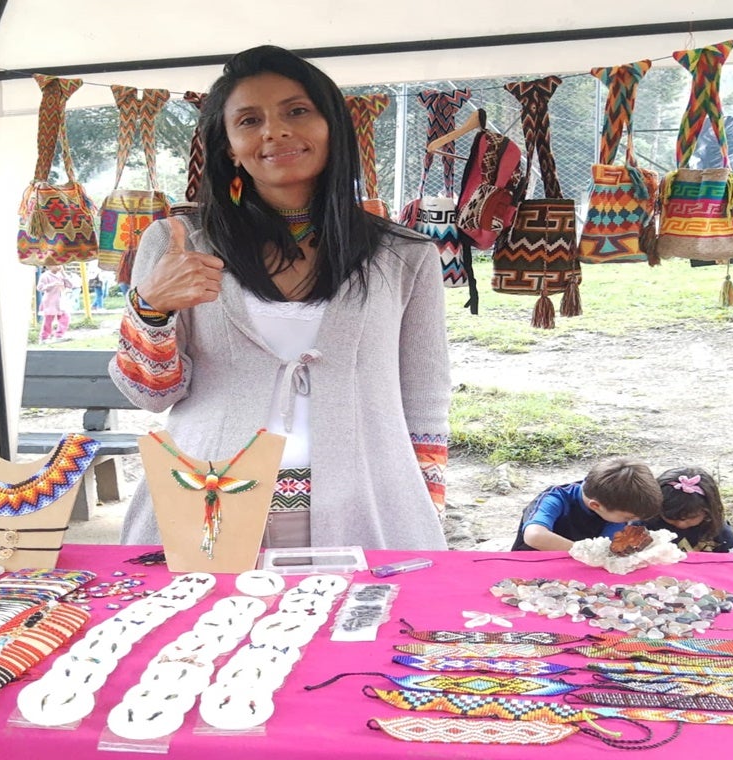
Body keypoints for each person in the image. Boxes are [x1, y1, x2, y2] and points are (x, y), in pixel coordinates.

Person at [109, 45, 450, 550]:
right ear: (228, 146)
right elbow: (152, 396)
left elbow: (424, 397)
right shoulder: (178, 243)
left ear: (332, 125)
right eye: (249, 120)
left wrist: (423, 510)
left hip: (367, 505)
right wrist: (149, 310)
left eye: (296, 111)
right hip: (207, 500)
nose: (274, 131)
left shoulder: (406, 255)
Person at [512, 456, 663, 551]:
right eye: (627, 518)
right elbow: (535, 536)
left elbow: (610, 544)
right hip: (536, 563)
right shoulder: (555, 498)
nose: (631, 521)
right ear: (595, 506)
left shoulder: (616, 504)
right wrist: (587, 553)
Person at [645, 466, 733, 553]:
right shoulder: (646, 527)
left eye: (691, 517)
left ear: (707, 511)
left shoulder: (718, 531)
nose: (680, 524)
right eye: (671, 517)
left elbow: (732, 563)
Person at [36, 264, 73, 342]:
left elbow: (70, 285)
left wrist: (63, 273)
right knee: (48, 320)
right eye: (55, 265)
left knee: (65, 317)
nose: (58, 266)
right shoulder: (45, 276)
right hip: (50, 301)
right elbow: (40, 287)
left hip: (61, 302)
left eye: (59, 264)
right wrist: (51, 285)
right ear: (49, 266)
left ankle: (59, 335)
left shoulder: (61, 275)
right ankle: (44, 337)